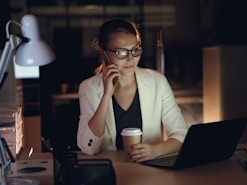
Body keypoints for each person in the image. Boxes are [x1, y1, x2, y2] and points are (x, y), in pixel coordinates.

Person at [77, 19, 188, 162]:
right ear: (103, 53)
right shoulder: (89, 88)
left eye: (135, 50)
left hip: (151, 171)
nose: (130, 59)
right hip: (111, 171)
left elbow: (182, 135)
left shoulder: (157, 82)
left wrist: (156, 151)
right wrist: (106, 96)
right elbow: (88, 148)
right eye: (121, 52)